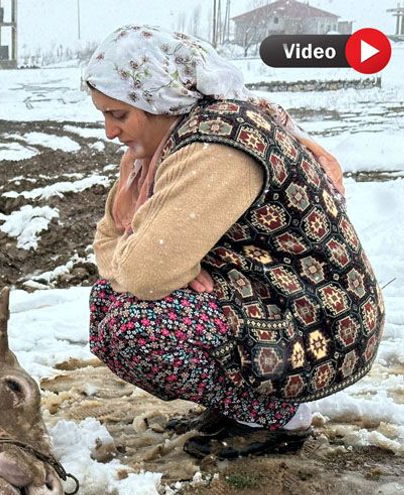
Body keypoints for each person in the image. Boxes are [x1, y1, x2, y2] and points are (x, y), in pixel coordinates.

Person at [85, 25, 384, 458]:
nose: (110, 132)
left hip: (322, 315)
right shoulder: (155, 153)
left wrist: (161, 265)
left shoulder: (217, 146)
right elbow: (111, 240)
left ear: (156, 100)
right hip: (265, 290)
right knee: (107, 304)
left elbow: (145, 272)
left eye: (118, 115)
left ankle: (279, 417)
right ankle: (241, 409)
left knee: (139, 327)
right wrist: (153, 264)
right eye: (105, 116)